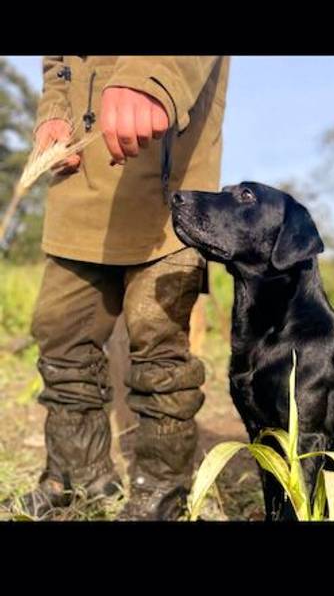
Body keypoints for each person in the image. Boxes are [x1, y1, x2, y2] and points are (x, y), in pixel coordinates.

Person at [9, 55, 230, 520]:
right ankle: (76, 476)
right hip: (78, 182)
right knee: (59, 331)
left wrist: (148, 77)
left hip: (165, 186)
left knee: (158, 341)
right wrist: (54, 113)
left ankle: (162, 492)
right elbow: (57, 65)